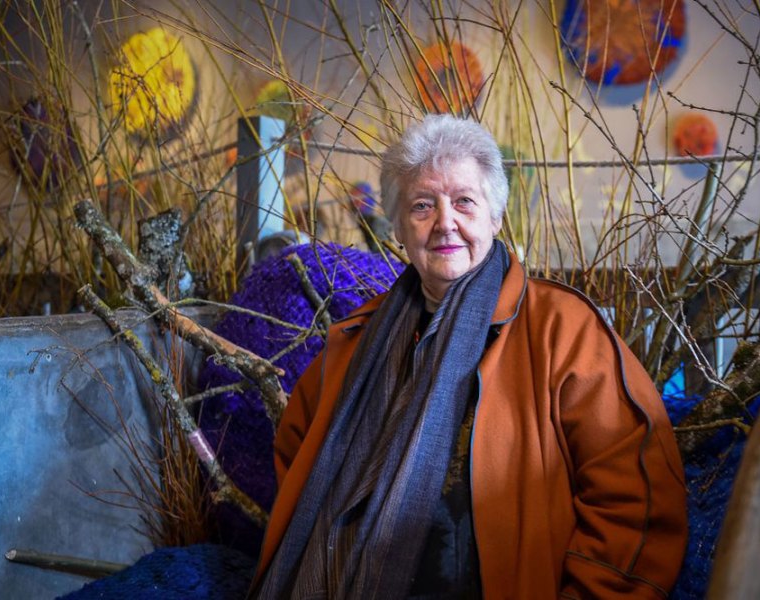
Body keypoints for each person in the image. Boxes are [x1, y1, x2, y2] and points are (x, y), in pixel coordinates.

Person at [248, 114, 687, 599]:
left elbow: (634, 497)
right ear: (397, 228)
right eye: (421, 205)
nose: (445, 222)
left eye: (463, 201)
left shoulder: (562, 330)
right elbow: (298, 465)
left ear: (495, 216)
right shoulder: (354, 341)